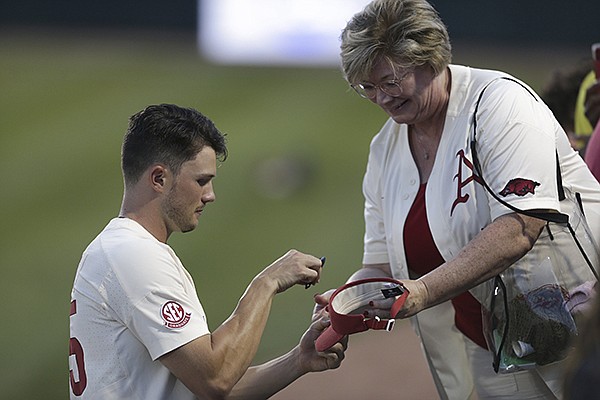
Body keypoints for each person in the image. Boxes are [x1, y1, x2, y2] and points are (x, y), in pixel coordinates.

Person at [315, 0, 600, 399]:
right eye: (367, 87)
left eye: (391, 82)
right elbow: (379, 263)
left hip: (579, 325)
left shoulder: (499, 103)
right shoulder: (385, 151)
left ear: (430, 59)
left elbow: (520, 228)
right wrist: (349, 298)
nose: (381, 98)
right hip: (490, 345)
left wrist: (425, 291)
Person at [68, 104, 347, 399]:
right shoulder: (132, 255)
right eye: (201, 181)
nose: (210, 195)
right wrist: (266, 283)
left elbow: (202, 386)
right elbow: (215, 379)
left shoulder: (123, 249)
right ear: (159, 179)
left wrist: (296, 361)